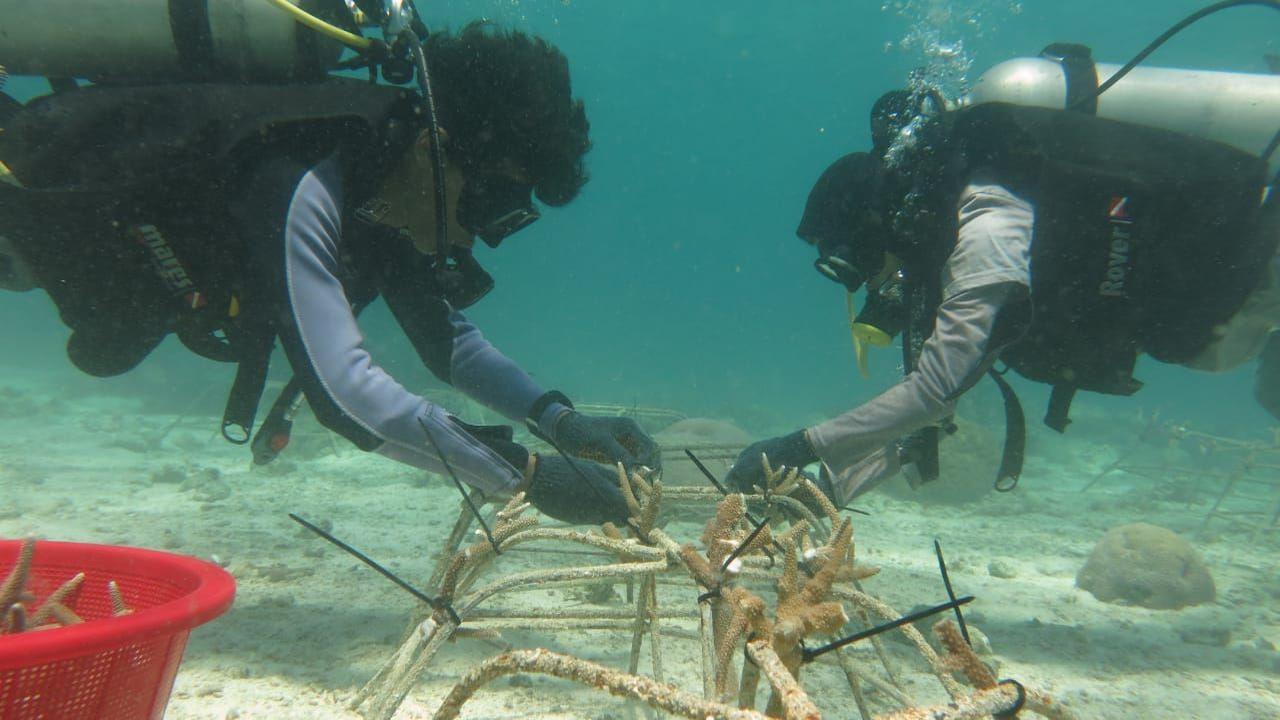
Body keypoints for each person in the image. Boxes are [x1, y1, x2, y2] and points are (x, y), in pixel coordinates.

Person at [0, 22, 656, 525]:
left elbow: (448, 343)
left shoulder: (379, 188)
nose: (485, 235)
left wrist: (563, 421)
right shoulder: (302, 174)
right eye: (496, 206)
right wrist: (531, 476)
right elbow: (347, 397)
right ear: (435, 150)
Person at [727, 82, 1280, 506]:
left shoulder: (989, 213)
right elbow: (932, 419)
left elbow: (934, 393)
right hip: (1229, 311)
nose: (875, 283)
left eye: (865, 264)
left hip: (1253, 276)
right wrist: (828, 490)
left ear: (879, 227)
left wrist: (798, 447)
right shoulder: (950, 232)